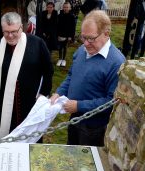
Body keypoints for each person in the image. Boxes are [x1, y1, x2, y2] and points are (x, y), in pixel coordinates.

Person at [50, 10, 126, 146]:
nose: (85, 43)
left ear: (106, 34)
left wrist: (79, 106)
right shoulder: (81, 51)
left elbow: (112, 101)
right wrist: (59, 92)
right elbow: (71, 76)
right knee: (71, 156)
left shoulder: (117, 63)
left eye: (91, 38)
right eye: (83, 37)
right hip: (74, 118)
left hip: (94, 128)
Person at [0, 12, 53, 140]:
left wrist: (43, 94)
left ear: (21, 27)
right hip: (2, 107)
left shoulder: (37, 44)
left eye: (14, 31)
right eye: (6, 32)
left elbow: (48, 70)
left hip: (29, 104)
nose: (10, 36)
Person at [56, 2, 75, 67]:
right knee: (60, 47)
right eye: (64, 7)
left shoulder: (72, 16)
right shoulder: (59, 16)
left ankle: (64, 59)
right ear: (63, 7)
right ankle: (60, 59)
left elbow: (73, 27)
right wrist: (57, 34)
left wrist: (71, 36)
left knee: (65, 46)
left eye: (67, 7)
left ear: (70, 8)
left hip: (67, 35)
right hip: (60, 34)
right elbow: (57, 25)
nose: (65, 8)